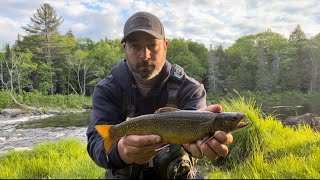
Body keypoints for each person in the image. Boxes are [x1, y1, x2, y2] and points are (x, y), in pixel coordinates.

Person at [86, 11, 233, 179]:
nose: (145, 55)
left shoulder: (190, 88)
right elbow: (96, 144)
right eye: (135, 46)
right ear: (124, 48)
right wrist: (121, 152)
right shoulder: (107, 89)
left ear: (165, 45)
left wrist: (205, 137)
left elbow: (200, 130)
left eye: (152, 45)